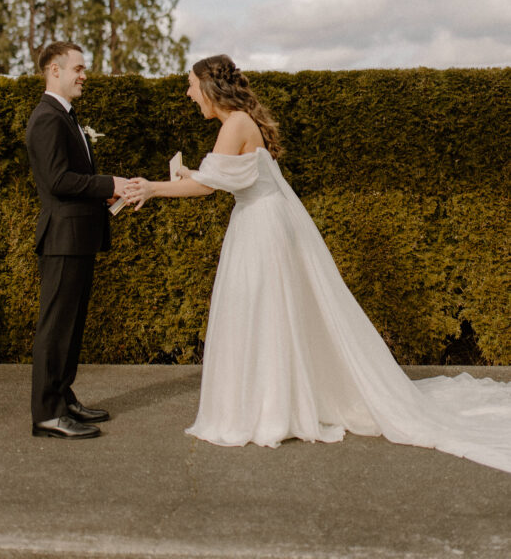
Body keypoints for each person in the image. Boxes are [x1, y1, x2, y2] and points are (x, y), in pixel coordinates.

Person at [125, 54, 511, 473]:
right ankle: (275, 403)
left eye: (190, 84)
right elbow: (225, 177)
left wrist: (152, 188)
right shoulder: (238, 123)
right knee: (266, 310)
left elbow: (207, 187)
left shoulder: (234, 123)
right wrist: (188, 176)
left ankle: (271, 409)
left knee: (262, 310)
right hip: (259, 222)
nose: (188, 93)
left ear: (208, 86)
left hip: (261, 228)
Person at [26, 40, 129, 440]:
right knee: (55, 329)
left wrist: (103, 194)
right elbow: (57, 180)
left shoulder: (65, 116)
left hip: (77, 237)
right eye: (78, 69)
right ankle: (47, 414)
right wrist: (109, 183)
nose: (85, 75)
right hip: (62, 239)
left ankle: (63, 398)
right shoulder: (47, 118)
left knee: (70, 327)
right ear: (54, 70)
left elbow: (72, 178)